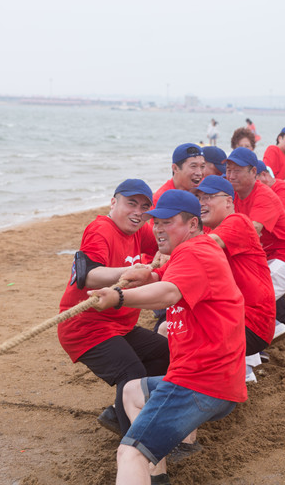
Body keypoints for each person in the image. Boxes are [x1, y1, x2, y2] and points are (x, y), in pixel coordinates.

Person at [88, 189, 247, 484]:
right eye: (156, 222)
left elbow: (170, 293)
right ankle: (157, 476)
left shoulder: (194, 251)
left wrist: (118, 297)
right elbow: (169, 280)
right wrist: (150, 276)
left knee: (129, 453)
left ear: (192, 224)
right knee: (131, 392)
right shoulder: (194, 251)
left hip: (200, 382)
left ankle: (144, 463)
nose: (158, 229)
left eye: (168, 222)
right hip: (217, 380)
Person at [57, 179, 169, 437]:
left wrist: (171, 251)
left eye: (144, 207)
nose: (137, 212)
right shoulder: (100, 229)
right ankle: (134, 441)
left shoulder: (139, 230)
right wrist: (128, 271)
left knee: (166, 353)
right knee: (131, 371)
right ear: (113, 203)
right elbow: (88, 276)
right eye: (131, 203)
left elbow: (166, 242)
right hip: (85, 327)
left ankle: (119, 414)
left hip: (120, 326)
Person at [195, 175, 275, 382]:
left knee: (178, 329)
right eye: (199, 198)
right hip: (237, 317)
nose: (202, 203)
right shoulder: (209, 230)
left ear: (229, 201)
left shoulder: (238, 221)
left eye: (208, 197)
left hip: (252, 324)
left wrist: (171, 249)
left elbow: (206, 244)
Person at [225, 147, 285, 337]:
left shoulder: (264, 194)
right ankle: (269, 333)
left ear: (253, 172)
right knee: (237, 298)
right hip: (264, 259)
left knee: (244, 301)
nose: (231, 175)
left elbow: (251, 231)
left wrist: (214, 242)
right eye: (228, 170)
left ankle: (274, 328)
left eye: (237, 170)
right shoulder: (233, 194)